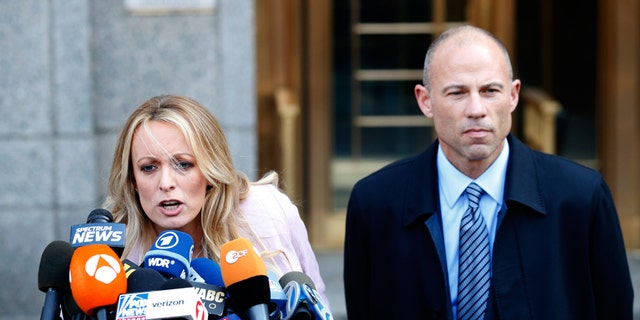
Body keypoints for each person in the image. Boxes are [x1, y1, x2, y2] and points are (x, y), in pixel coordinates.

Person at [343, 25, 633, 319]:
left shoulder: (581, 198)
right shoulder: (376, 204)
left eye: (490, 90)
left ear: (513, 95)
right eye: (457, 93)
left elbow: (614, 307)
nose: (476, 109)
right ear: (425, 101)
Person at [102, 94, 328, 302]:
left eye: (183, 164)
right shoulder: (112, 249)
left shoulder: (266, 212)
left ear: (210, 171)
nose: (166, 183)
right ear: (132, 179)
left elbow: (318, 303)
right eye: (149, 167)